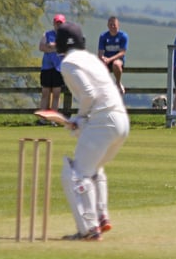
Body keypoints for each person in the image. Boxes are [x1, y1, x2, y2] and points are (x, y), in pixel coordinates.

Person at [54, 21, 130, 241]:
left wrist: (79, 117)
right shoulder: (90, 59)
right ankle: (101, 216)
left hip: (103, 121)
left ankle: (89, 229)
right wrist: (83, 119)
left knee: (75, 173)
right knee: (93, 167)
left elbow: (88, 95)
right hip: (121, 121)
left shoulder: (68, 63)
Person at [37, 14, 66, 124]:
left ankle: (53, 119)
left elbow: (66, 49)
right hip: (47, 67)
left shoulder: (66, 37)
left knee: (56, 94)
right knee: (45, 93)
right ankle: (42, 118)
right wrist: (56, 48)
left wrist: (51, 46)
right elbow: (41, 47)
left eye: (60, 23)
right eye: (57, 23)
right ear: (54, 23)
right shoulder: (47, 34)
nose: (58, 25)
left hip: (58, 68)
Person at [98, 16, 129, 94]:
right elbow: (100, 52)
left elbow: (122, 53)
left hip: (118, 59)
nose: (112, 26)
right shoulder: (103, 36)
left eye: (114, 24)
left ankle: (118, 83)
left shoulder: (123, 36)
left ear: (118, 25)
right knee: (100, 68)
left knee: (116, 64)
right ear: (107, 25)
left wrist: (110, 59)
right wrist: (103, 58)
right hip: (107, 60)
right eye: (110, 24)